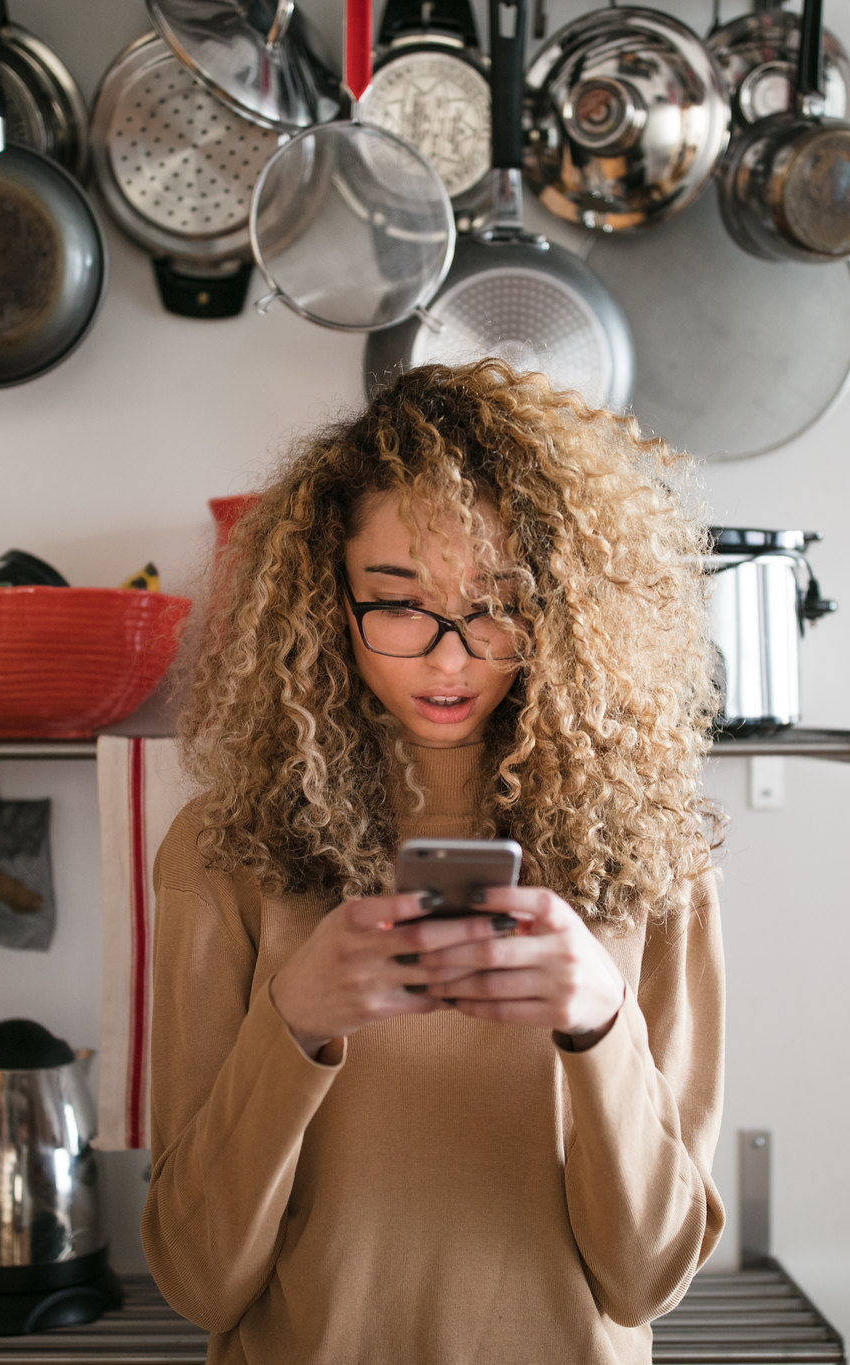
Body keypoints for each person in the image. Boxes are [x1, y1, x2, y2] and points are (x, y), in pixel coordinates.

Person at [141, 361, 726, 1364]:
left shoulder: (652, 856)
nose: (449, 659)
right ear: (328, 605)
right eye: (397, 603)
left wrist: (598, 1023)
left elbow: (647, 1279)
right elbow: (199, 1280)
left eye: (496, 604)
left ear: (559, 609)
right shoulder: (221, 851)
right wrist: (294, 1024)